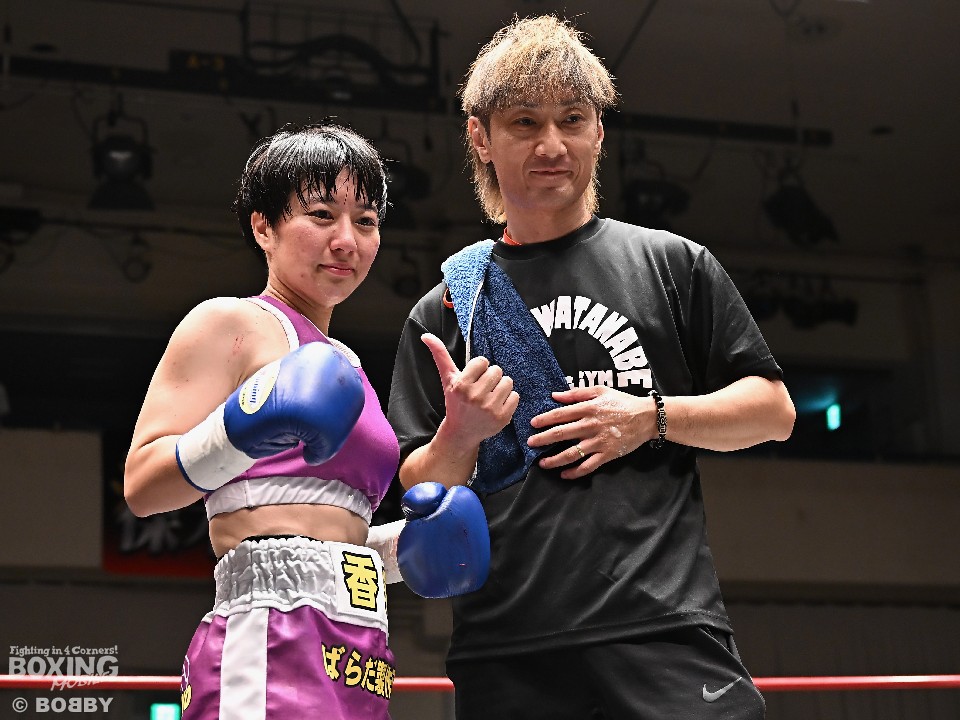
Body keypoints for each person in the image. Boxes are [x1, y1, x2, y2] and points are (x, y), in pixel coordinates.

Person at [388, 15, 797, 720]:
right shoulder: (449, 306)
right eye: (525, 123)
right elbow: (416, 489)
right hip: (509, 650)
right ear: (480, 137)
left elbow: (773, 412)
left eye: (572, 119)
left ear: (598, 131)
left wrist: (651, 417)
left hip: (663, 631)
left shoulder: (671, 264)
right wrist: (460, 434)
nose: (552, 145)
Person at [123, 121, 487, 720]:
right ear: (262, 227)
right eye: (321, 215)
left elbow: (316, 534)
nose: (346, 239)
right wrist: (243, 427)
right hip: (266, 635)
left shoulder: (346, 365)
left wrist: (402, 550)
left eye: (365, 221)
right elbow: (142, 485)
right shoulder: (231, 324)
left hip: (358, 650)